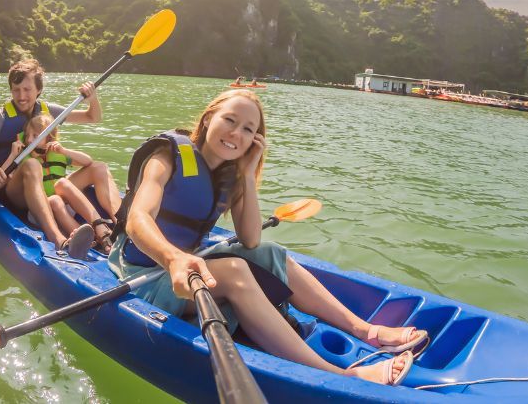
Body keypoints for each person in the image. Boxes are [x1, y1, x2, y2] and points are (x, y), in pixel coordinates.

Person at [108, 89, 425, 385]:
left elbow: (250, 239)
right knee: (235, 271)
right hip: (146, 271)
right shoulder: (169, 156)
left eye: (248, 129)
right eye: (230, 120)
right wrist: (173, 258)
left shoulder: (229, 176)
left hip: (190, 266)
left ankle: (365, 330)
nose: (236, 133)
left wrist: (247, 173)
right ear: (208, 120)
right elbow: (138, 219)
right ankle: (341, 375)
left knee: (270, 252)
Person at [0, 59, 122, 252]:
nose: (21, 96)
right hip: (14, 190)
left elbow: (93, 117)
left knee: (98, 167)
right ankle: (58, 238)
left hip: (49, 187)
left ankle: (122, 223)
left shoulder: (48, 111)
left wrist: (92, 99)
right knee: (32, 165)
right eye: (16, 90)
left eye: (27, 89)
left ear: (38, 90)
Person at [2, 113, 115, 256]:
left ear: (49, 138)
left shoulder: (57, 153)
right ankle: (87, 241)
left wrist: (64, 150)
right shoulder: (24, 159)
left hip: (61, 204)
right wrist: (13, 155)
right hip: (39, 212)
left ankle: (96, 232)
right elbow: (4, 177)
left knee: (62, 184)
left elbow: (88, 161)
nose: (30, 140)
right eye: (28, 136)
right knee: (55, 200)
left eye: (36, 136)